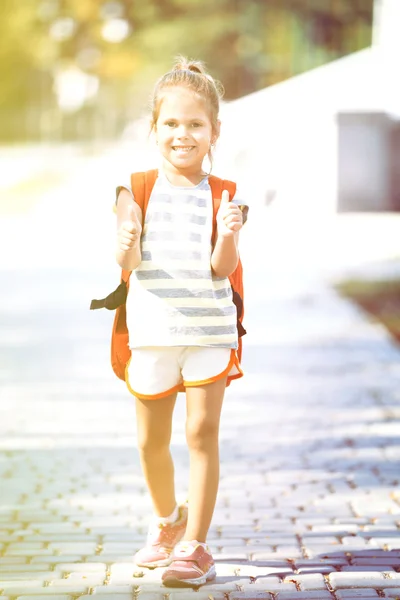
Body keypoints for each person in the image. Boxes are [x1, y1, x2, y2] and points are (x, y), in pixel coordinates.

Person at [115, 56, 247, 588]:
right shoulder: (136, 188)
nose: (183, 134)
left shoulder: (223, 194)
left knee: (201, 431)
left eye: (195, 124)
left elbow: (222, 269)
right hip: (152, 336)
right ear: (153, 129)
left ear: (214, 131)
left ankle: (195, 545)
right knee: (150, 441)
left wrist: (230, 232)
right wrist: (124, 244)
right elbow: (126, 266)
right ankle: (168, 521)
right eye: (171, 123)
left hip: (209, 332)